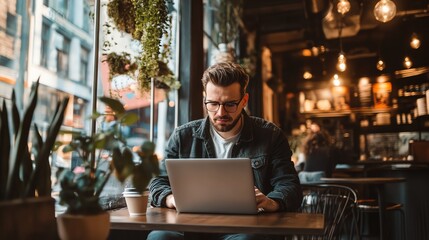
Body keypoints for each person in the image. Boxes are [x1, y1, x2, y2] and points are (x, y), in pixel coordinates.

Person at [147, 62, 302, 240]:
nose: (220, 112)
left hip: (245, 229)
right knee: (159, 236)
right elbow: (157, 181)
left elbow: (290, 186)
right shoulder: (183, 136)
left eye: (230, 104)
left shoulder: (270, 136)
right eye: (212, 103)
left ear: (244, 101)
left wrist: (271, 202)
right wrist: (171, 199)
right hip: (191, 227)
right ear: (205, 99)